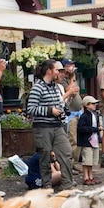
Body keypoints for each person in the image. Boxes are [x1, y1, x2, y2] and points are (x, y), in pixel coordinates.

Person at [26, 58, 73, 190]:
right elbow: (30, 109)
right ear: (49, 71)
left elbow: (59, 105)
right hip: (42, 128)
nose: (60, 72)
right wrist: (49, 110)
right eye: (57, 70)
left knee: (66, 153)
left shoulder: (56, 88)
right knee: (45, 156)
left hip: (57, 126)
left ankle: (68, 185)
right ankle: (47, 186)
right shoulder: (37, 88)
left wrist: (62, 111)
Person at [76, 95, 101, 185]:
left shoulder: (95, 115)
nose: (95, 105)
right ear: (87, 105)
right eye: (93, 104)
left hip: (94, 140)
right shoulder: (84, 116)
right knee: (87, 160)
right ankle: (86, 176)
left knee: (91, 160)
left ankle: (90, 176)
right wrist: (95, 129)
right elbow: (81, 129)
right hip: (87, 141)